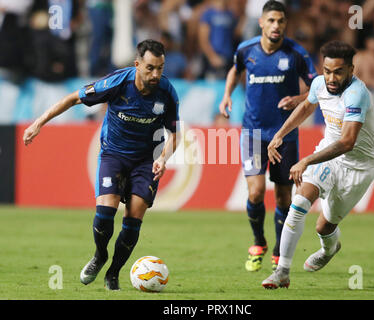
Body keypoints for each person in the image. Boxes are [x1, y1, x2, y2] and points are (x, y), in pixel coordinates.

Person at [22, 39, 180, 291]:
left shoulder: (167, 92)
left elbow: (175, 134)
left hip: (145, 161)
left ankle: (113, 273)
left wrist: (163, 158)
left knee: (135, 213)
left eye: (160, 68)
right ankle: (99, 255)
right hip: (113, 155)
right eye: (150, 67)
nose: (156, 74)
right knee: (106, 211)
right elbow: (74, 98)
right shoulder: (117, 83)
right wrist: (38, 123)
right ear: (137, 64)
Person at [262, 40, 374, 289]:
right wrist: (280, 134)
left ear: (351, 70)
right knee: (300, 201)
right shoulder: (319, 84)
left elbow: (347, 142)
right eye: (327, 71)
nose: (331, 77)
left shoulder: (357, 94)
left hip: (358, 167)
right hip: (328, 156)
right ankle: (282, 271)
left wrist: (306, 160)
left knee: (324, 226)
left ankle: (329, 248)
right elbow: (306, 106)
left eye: (338, 71)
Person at [219, 0, 317, 273]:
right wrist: (226, 95)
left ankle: (277, 250)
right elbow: (234, 69)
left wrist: (298, 98)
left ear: (286, 24)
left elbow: (316, 90)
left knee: (284, 197)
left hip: (284, 134)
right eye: (271, 20)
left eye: (281, 21)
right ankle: (258, 241)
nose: (276, 26)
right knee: (256, 191)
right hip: (252, 132)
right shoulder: (246, 49)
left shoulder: (296, 53)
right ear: (261, 22)